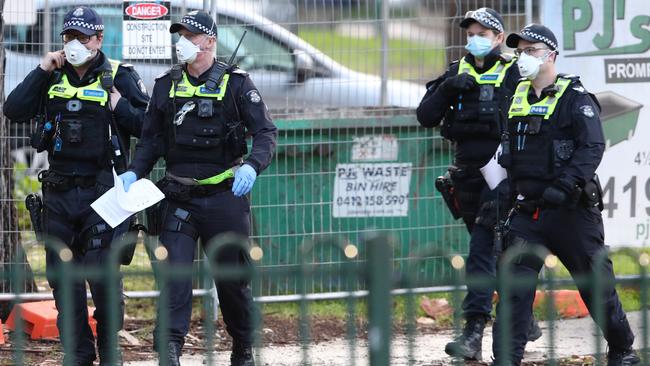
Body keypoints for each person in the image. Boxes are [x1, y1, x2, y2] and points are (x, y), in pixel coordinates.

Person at [118, 10, 277, 366]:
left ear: (209, 41)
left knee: (232, 281)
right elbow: (150, 140)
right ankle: (170, 349)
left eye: (190, 36)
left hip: (225, 199)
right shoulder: (165, 85)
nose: (182, 43)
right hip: (179, 197)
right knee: (175, 275)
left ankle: (242, 345)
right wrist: (134, 172)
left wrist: (251, 165)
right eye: (179, 35)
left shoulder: (237, 84)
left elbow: (266, 133)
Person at [4, 6, 149, 366]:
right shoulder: (51, 77)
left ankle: (109, 351)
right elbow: (13, 109)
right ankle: (79, 355)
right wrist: (42, 69)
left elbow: (149, 128)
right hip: (59, 196)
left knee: (102, 281)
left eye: (83, 37)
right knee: (64, 285)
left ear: (99, 39)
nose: (74, 44)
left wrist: (118, 103)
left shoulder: (120, 76)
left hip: (104, 195)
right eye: (69, 36)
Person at [492, 24, 639, 366]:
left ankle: (622, 349)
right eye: (519, 52)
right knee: (514, 291)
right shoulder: (516, 97)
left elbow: (592, 147)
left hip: (571, 211)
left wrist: (564, 185)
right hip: (528, 213)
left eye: (530, 51)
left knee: (595, 285)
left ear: (551, 55)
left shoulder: (575, 98)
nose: (523, 58)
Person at [416, 8, 541, 361]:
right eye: (471, 32)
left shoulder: (514, 72)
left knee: (482, 251)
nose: (476, 37)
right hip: (467, 175)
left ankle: (473, 332)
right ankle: (524, 316)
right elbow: (425, 116)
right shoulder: (456, 71)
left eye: (484, 32)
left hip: (502, 175)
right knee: (495, 253)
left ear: (499, 38)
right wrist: (446, 89)